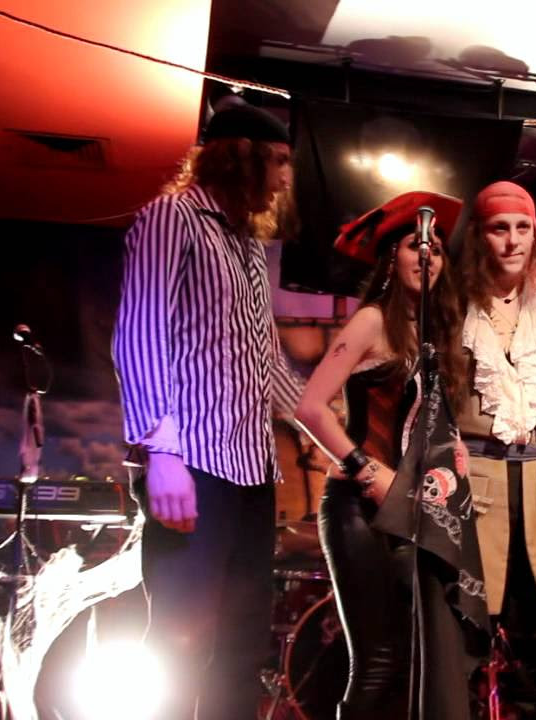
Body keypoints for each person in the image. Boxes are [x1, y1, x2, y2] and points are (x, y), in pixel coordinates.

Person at [111, 101, 305, 719]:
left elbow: (265, 362)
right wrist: (161, 452)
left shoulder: (247, 246)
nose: (283, 179)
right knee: (181, 641)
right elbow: (140, 332)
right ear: (238, 155)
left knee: (241, 646)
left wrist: (330, 425)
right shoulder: (172, 217)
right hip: (192, 462)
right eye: (277, 161)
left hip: (250, 471)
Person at [294, 191, 485, 719]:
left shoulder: (435, 333)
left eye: (437, 250)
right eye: (413, 246)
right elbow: (310, 408)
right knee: (377, 662)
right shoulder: (372, 321)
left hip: (414, 511)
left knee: (412, 659)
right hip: (359, 508)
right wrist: (366, 470)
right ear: (390, 258)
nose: (427, 257)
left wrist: (451, 451)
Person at [456, 181, 536, 717]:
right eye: (499, 229)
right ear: (479, 237)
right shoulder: (453, 306)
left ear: (535, 237)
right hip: (473, 486)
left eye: (522, 228)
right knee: (468, 632)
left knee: (535, 635)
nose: (512, 241)